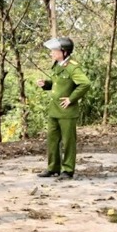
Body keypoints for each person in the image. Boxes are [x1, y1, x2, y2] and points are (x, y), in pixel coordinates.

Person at [36, 37, 91, 180]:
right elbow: (57, 84)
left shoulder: (73, 67)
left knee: (68, 142)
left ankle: (67, 170)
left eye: (54, 50)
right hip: (54, 110)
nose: (51, 53)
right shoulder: (57, 65)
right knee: (52, 140)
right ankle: (53, 167)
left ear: (64, 52)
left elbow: (85, 84)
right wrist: (46, 84)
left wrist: (71, 99)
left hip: (67, 111)